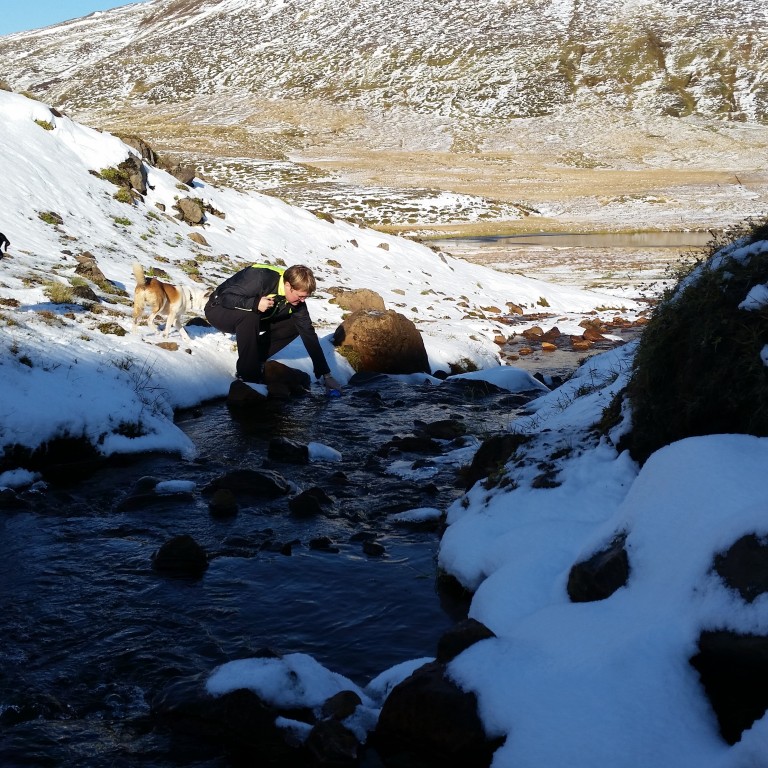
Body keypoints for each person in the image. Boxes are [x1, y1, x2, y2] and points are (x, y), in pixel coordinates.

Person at [205, 263, 342, 394]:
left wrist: (326, 375)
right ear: (288, 286)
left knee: (297, 325)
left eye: (305, 297)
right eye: (300, 296)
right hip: (219, 310)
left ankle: (256, 358)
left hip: (256, 317)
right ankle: (247, 376)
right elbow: (224, 297)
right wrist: (254, 303)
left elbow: (309, 334)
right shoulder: (261, 278)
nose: (302, 301)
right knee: (250, 315)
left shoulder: (297, 300)